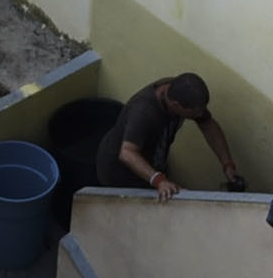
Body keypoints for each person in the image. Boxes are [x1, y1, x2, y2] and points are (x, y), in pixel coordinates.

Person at [50, 73, 243, 201]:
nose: (199, 115)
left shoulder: (177, 92)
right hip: (119, 174)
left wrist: (227, 165)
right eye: (193, 112)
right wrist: (158, 180)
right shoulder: (144, 111)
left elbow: (208, 124)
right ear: (176, 105)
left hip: (151, 166)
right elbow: (126, 153)